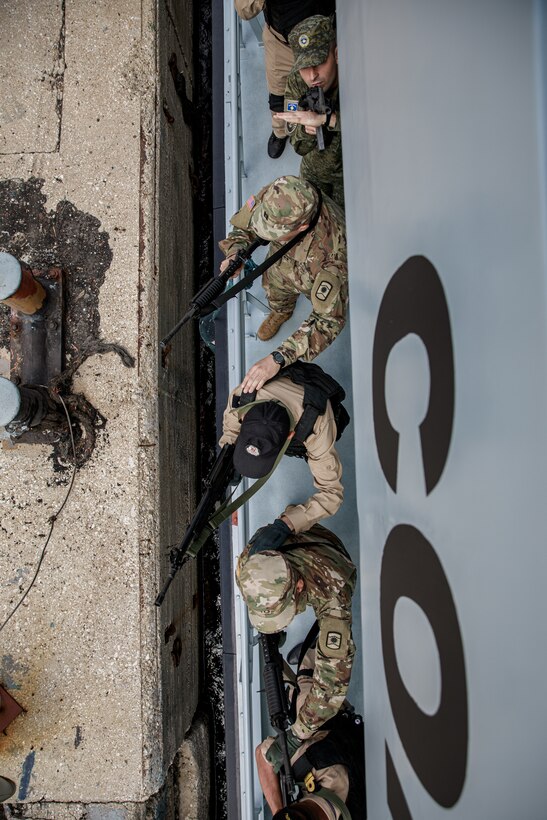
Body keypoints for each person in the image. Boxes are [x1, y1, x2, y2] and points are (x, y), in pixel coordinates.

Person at [218, 175, 347, 394]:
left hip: (309, 277)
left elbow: (327, 322)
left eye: (276, 233)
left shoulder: (333, 258)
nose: (267, 234)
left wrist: (277, 358)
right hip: (279, 265)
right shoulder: (282, 193)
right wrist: (235, 252)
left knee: (289, 284)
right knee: (274, 286)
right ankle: (281, 310)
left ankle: (283, 307)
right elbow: (246, 224)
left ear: (303, 227)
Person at [236, 523, 357, 745]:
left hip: (326, 552)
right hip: (292, 541)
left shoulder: (334, 594)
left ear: (299, 587)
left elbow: (331, 689)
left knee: (329, 662)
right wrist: (271, 630)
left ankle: (311, 655)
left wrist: (297, 734)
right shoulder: (250, 567)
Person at [219, 360, 349, 533]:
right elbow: (230, 431)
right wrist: (227, 476)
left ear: (290, 437)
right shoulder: (243, 397)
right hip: (283, 393)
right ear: (245, 417)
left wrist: (287, 524)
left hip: (311, 402)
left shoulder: (318, 428)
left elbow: (332, 494)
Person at [256, 645, 366, 819]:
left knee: (293, 702)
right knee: (305, 686)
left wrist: (279, 810)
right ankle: (314, 657)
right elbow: (263, 756)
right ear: (297, 805)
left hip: (349, 753)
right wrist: (279, 810)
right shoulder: (322, 768)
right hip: (339, 729)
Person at [234, 1, 335, 159]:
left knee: (335, 87)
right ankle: (280, 132)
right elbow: (244, 10)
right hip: (283, 46)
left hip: (324, 43)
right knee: (278, 99)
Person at [278, 15, 344, 208]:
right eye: (304, 67)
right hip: (314, 171)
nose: (312, 75)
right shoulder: (297, 83)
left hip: (349, 175)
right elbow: (297, 143)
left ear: (337, 55)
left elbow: (374, 127)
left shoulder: (356, 77)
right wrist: (307, 131)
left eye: (319, 62)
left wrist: (327, 119)